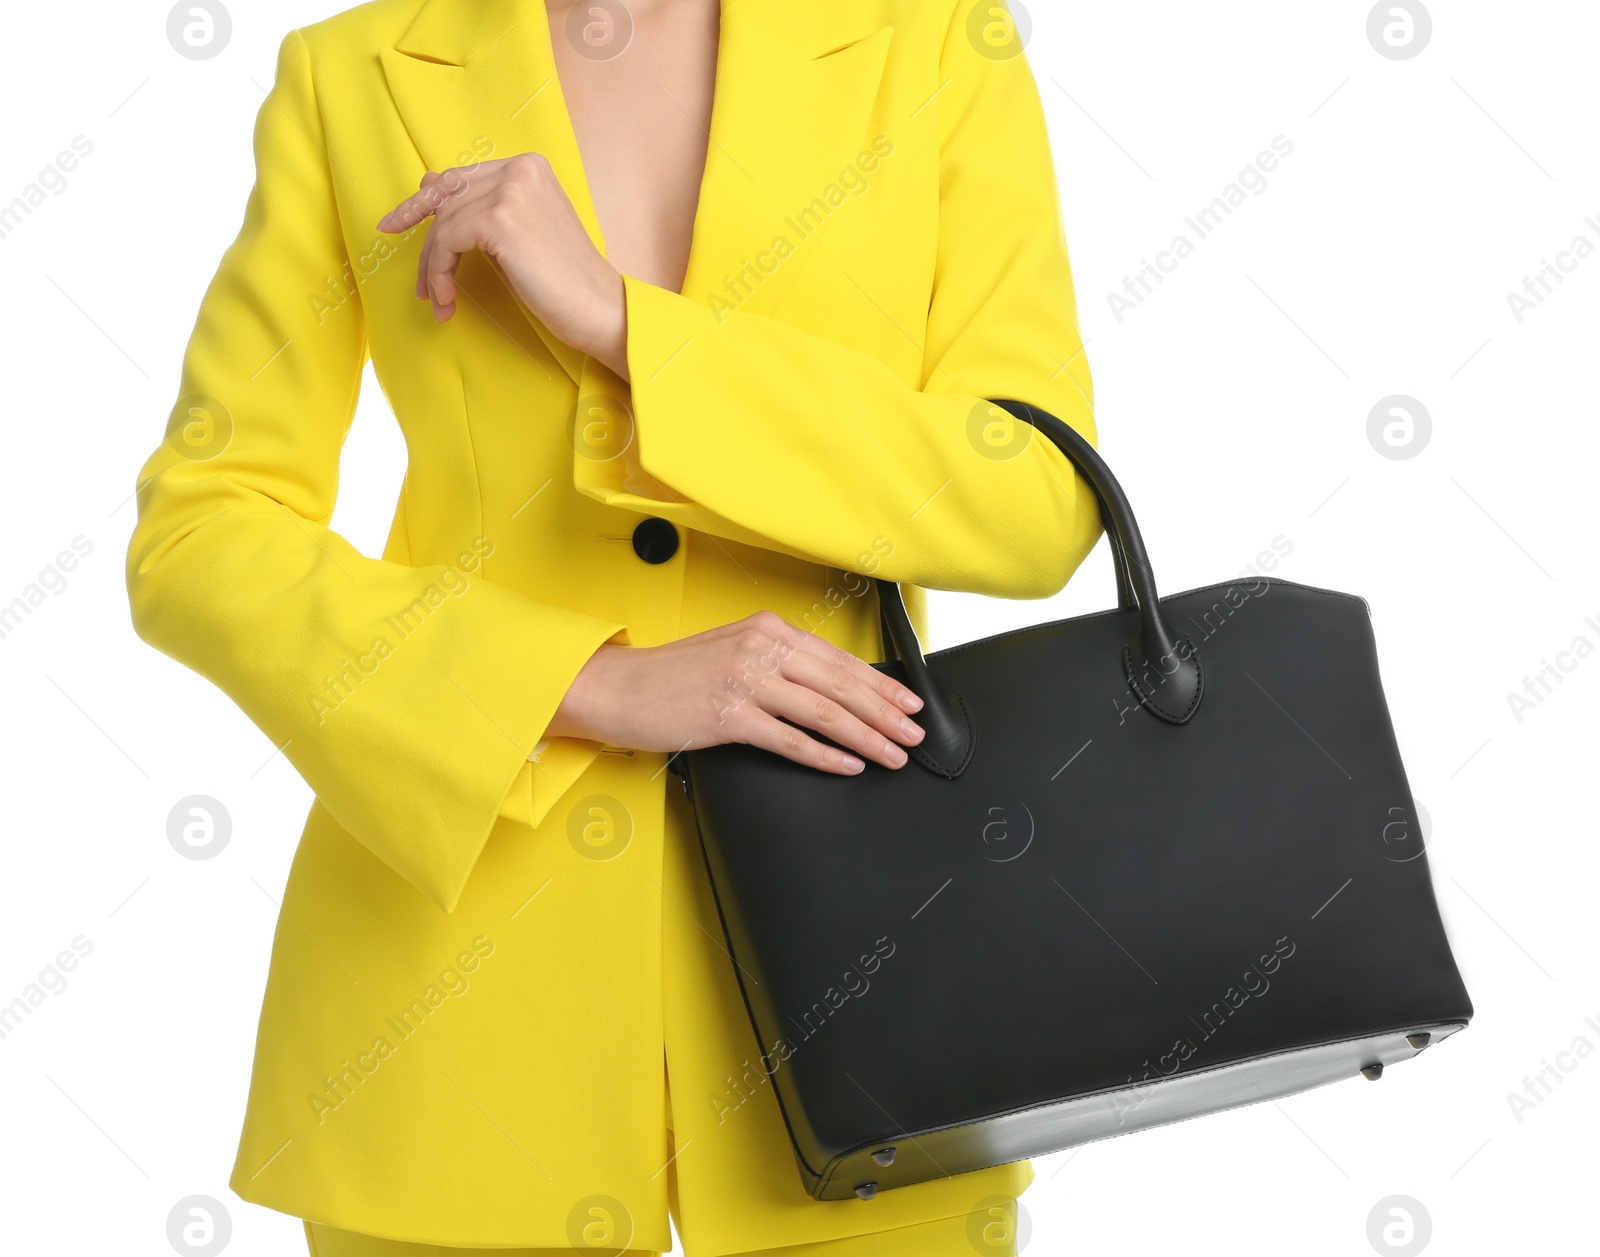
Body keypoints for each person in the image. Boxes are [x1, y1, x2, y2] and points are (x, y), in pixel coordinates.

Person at [126, 0, 1103, 1252]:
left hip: (871, 1001)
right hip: (454, 1024)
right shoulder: (352, 72)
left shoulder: (932, 41)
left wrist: (628, 330)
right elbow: (202, 538)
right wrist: (583, 685)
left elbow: (1033, 492)